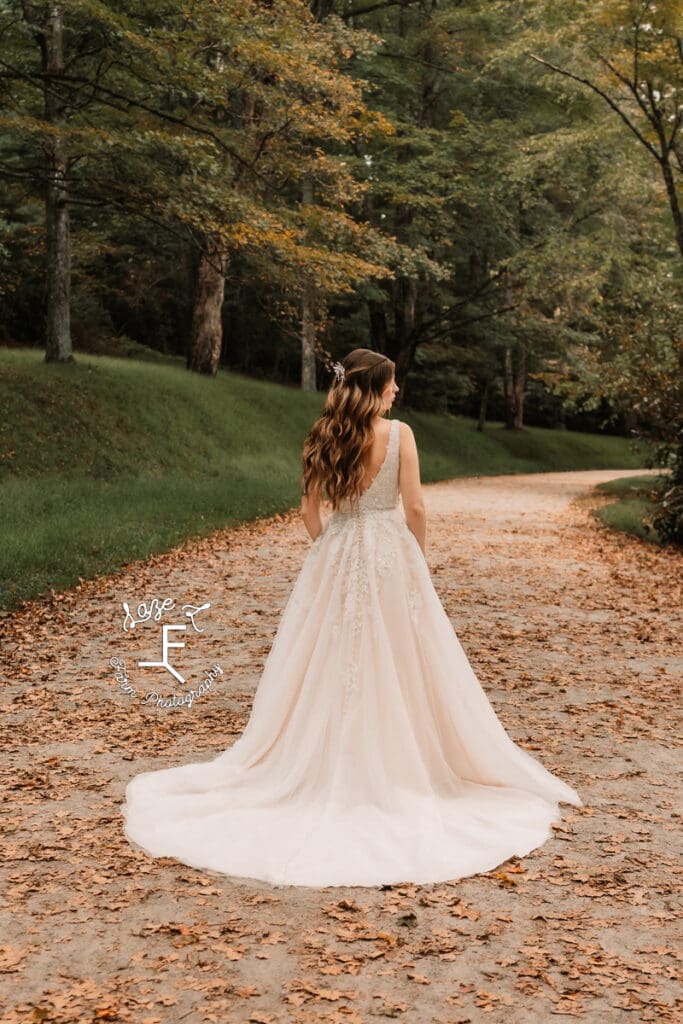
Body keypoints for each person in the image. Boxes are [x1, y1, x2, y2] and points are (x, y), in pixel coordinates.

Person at [122, 347, 582, 888]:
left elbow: (309, 512)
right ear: (374, 387)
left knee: (329, 653)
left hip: (338, 552)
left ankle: (318, 757)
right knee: (402, 653)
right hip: (390, 553)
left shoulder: (324, 433)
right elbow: (415, 507)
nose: (397, 392)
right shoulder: (401, 434)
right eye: (391, 384)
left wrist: (330, 550)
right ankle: (401, 763)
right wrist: (418, 558)